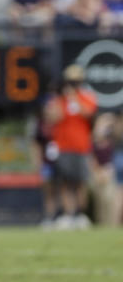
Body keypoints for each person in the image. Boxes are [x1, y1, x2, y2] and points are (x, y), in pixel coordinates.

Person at [44, 64, 98, 229]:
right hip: (63, 146)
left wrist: (74, 98)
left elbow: (88, 114)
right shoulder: (59, 100)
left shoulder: (87, 96)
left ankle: (80, 215)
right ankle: (68, 215)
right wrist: (61, 99)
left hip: (82, 146)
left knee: (81, 182)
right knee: (65, 183)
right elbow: (53, 118)